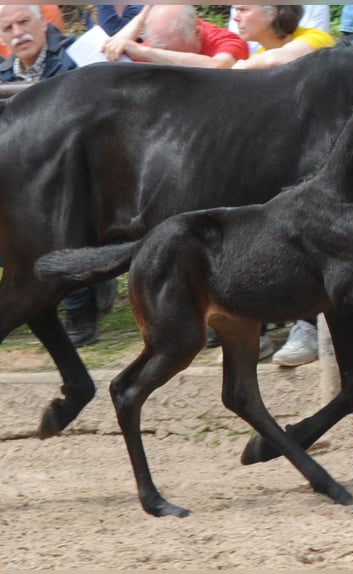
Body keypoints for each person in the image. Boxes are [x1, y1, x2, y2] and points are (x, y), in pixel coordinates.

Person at [0, 4, 116, 346]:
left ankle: (80, 303)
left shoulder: (80, 53)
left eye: (24, 23)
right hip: (25, 183)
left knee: (55, 220)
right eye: (8, 29)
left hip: (88, 176)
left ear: (43, 23)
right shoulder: (3, 74)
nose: (18, 33)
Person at [226, 5, 334, 365]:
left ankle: (308, 325)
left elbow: (280, 62)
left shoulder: (315, 40)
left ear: (273, 12)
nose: (235, 15)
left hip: (321, 173)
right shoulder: (255, 54)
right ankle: (256, 328)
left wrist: (237, 70)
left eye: (243, 7)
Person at [102, 5, 249, 68]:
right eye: (160, 51)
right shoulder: (160, 42)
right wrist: (142, 17)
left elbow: (218, 66)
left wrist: (147, 53)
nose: (163, 55)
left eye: (169, 52)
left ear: (197, 33)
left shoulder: (227, 41)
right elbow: (107, 54)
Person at [230, 5, 334, 71]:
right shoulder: (256, 58)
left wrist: (241, 68)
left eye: (243, 10)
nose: (235, 17)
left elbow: (275, 59)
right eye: (236, 10)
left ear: (273, 12)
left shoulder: (317, 38)